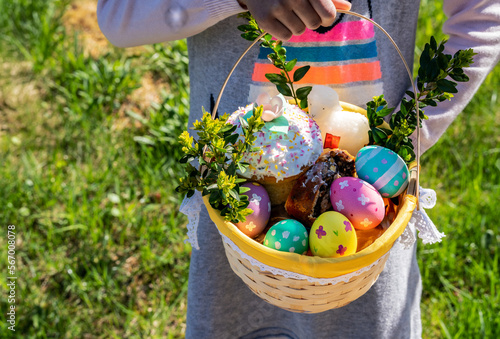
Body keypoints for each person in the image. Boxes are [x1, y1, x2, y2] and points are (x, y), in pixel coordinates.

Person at [97, 1, 500, 338]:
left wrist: (402, 140)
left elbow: (484, 11)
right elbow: (119, 17)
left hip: (367, 251)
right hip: (233, 231)